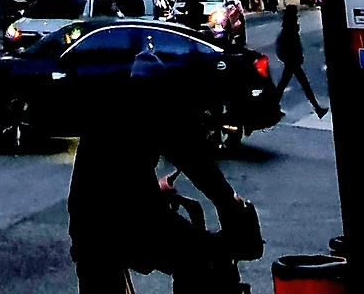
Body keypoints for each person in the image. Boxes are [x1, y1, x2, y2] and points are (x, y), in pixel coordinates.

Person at [66, 34, 263, 293]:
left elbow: (119, 174)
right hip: (118, 222)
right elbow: (195, 162)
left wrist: (152, 189)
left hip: (89, 223)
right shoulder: (154, 112)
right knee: (196, 255)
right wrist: (227, 198)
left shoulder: (114, 109)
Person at [272, 5, 327, 118]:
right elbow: (293, 44)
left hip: (291, 60)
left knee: (284, 84)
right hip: (292, 60)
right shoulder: (291, 27)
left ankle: (272, 107)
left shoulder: (288, 25)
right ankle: (317, 108)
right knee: (302, 84)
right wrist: (298, 56)